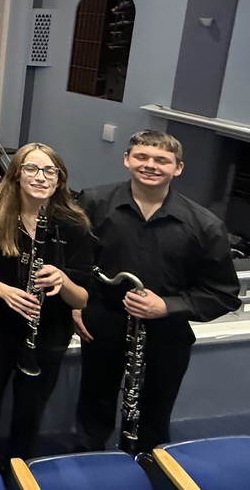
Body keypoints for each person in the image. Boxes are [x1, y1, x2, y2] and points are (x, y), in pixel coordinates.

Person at [73, 130, 240, 454]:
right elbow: (76, 264)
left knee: (154, 416)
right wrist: (75, 304)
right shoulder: (93, 203)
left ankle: (148, 466)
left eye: (161, 160)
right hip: (103, 323)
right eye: (142, 157)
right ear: (127, 159)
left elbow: (224, 294)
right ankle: (89, 465)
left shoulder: (204, 225)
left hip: (167, 334)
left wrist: (167, 305)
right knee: (94, 405)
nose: (150, 165)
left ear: (177, 168)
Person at [0, 143, 92, 469]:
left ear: (59, 179)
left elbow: (82, 298)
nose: (41, 177)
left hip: (47, 336)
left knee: (29, 415)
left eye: (50, 171)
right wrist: (0, 288)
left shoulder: (74, 226)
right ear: (17, 174)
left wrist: (63, 281)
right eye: (32, 169)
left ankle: (20, 473)